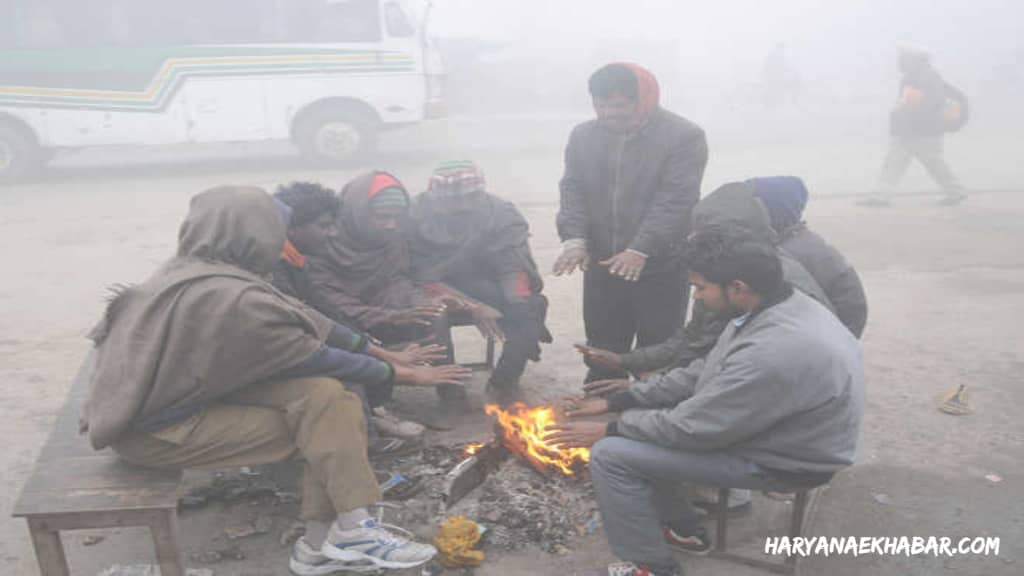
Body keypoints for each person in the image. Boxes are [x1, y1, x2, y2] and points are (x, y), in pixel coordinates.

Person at [82, 186, 447, 574]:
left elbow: (309, 318)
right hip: (155, 431)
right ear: (254, 232)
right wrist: (399, 372)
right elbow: (310, 353)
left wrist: (382, 353)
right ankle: (340, 534)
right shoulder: (229, 295)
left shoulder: (197, 269)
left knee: (328, 398)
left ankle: (327, 543)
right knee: (325, 430)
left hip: (178, 396)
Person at [551, 226, 864, 576]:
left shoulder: (773, 349)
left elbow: (691, 429)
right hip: (779, 429)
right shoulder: (774, 305)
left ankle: (652, 568)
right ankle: (684, 529)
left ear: (738, 288)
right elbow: (706, 370)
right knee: (640, 423)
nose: (696, 297)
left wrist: (610, 429)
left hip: (791, 458)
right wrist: (620, 401)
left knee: (612, 455)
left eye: (700, 287)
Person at [576, 181, 835, 378]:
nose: (696, 295)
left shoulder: (776, 288)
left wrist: (645, 389)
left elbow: (724, 377)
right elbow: (694, 339)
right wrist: (627, 362)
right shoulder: (722, 275)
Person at [554, 62, 708, 383]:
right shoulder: (583, 136)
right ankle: (600, 409)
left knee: (660, 347)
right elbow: (573, 188)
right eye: (601, 105)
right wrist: (575, 239)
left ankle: (652, 420)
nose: (609, 113)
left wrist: (641, 248)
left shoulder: (683, 136)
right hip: (603, 263)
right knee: (602, 346)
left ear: (644, 100)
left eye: (619, 105)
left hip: (661, 263)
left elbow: (676, 200)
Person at [307, 171, 500, 421]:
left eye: (397, 217)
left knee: (433, 312)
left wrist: (423, 302)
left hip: (384, 305)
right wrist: (395, 316)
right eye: (382, 217)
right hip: (340, 319)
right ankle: (373, 403)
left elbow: (398, 280)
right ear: (358, 212)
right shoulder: (324, 239)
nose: (391, 225)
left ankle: (451, 394)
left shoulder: (393, 236)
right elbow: (331, 304)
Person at [272, 181, 449, 442]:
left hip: (341, 329)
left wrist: (375, 347)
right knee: (352, 374)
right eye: (325, 226)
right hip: (278, 362)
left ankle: (370, 414)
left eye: (333, 225)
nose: (332, 233)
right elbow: (306, 336)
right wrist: (392, 366)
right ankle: (368, 443)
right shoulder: (275, 269)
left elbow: (324, 313)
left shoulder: (295, 259)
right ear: (293, 227)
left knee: (372, 356)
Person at [410, 161, 552, 406]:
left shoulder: (501, 213)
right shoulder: (412, 215)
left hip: (484, 282)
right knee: (434, 313)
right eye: (454, 201)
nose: (464, 206)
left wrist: (518, 302)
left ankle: (504, 383)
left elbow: (512, 265)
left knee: (529, 306)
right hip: (430, 287)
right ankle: (449, 389)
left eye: (471, 198)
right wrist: (471, 307)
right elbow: (418, 277)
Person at [750, 176, 868, 337]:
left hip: (830, 331)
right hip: (837, 331)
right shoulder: (799, 238)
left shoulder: (790, 254)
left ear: (770, 211)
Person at [863, 47, 968, 206]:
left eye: (903, 59)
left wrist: (914, 115)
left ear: (913, 60)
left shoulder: (928, 76)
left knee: (932, 163)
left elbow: (932, 102)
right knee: (894, 162)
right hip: (909, 130)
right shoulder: (913, 77)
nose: (900, 63)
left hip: (924, 131)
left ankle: (956, 191)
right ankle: (881, 196)